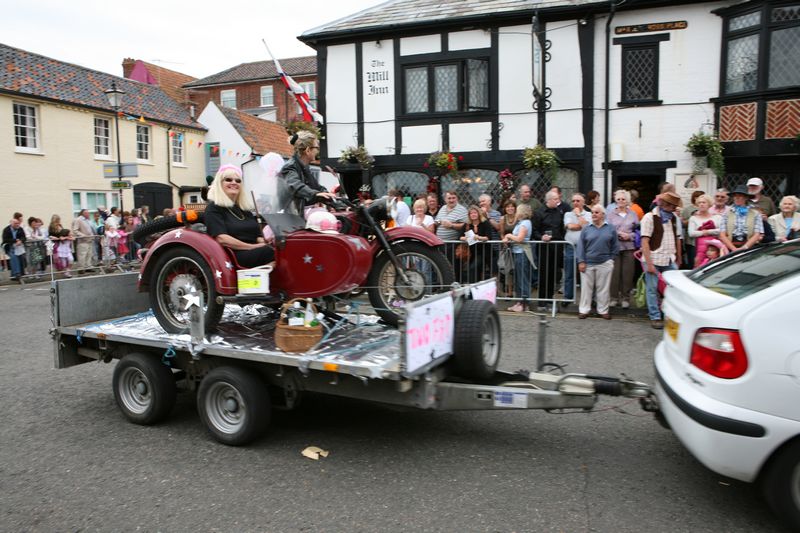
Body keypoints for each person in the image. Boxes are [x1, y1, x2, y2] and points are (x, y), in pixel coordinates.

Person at [204, 164, 274, 268]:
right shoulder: (213, 208)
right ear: (219, 183)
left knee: (283, 248)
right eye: (228, 179)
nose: (234, 183)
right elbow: (221, 238)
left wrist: (266, 242)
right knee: (272, 252)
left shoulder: (244, 209)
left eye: (238, 181)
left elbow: (257, 236)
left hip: (255, 250)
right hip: (233, 255)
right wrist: (253, 247)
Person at [640, 191, 683, 329]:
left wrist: (679, 258)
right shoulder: (649, 217)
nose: (674, 208)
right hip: (654, 258)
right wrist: (649, 263)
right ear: (665, 204)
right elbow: (645, 242)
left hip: (670, 259)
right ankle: (655, 316)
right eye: (672, 206)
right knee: (652, 289)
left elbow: (678, 239)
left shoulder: (674, 218)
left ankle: (669, 314)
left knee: (674, 289)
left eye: (675, 206)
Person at [576, 205, 618, 319]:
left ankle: (603, 310)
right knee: (586, 289)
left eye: (597, 212)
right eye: (593, 212)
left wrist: (611, 259)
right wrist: (581, 261)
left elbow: (615, 245)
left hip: (605, 263)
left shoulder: (610, 228)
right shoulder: (586, 228)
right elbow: (580, 246)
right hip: (588, 263)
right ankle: (584, 310)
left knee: (603, 288)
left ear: (603, 215)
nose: (594, 214)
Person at [279, 131, 335, 215]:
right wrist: (315, 194)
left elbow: (317, 187)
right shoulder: (289, 167)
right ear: (308, 150)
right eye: (317, 148)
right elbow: (296, 186)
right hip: (292, 219)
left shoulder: (305, 168)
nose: (318, 151)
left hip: (302, 216)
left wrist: (331, 197)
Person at [531, 191, 565, 310]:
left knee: (553, 275)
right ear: (549, 200)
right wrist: (541, 237)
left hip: (556, 246)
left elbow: (561, 229)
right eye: (555, 199)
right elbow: (534, 230)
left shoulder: (559, 212)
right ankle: (542, 302)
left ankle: (550, 300)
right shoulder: (539, 212)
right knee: (544, 274)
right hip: (544, 247)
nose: (557, 201)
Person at [606, 189, 638, 309]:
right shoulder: (610, 215)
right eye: (618, 199)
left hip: (629, 247)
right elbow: (607, 230)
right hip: (615, 247)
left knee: (627, 274)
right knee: (614, 273)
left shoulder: (633, 214)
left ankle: (626, 298)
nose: (620, 201)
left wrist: (629, 236)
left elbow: (638, 232)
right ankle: (613, 298)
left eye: (623, 199)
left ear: (627, 201)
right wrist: (616, 234)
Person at [502, 203, 534, 312]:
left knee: (523, 278)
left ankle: (524, 303)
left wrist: (509, 236)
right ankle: (519, 302)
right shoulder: (520, 223)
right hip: (517, 252)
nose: (516, 212)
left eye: (518, 210)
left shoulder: (526, 223)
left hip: (522, 253)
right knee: (518, 279)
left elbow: (520, 238)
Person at [562, 193, 591, 305]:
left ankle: (587, 299)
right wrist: (580, 225)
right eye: (573, 201)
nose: (575, 203)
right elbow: (570, 226)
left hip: (584, 248)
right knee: (569, 273)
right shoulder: (568, 214)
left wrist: (579, 216)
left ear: (583, 202)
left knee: (585, 274)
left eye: (578, 201)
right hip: (570, 247)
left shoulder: (588, 214)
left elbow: (587, 227)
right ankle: (568, 297)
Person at [719, 185, 764, 252]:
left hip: (749, 247)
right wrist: (733, 249)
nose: (737, 198)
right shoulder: (726, 213)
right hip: (730, 246)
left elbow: (757, 234)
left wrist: (745, 247)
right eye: (735, 196)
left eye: (740, 196)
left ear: (746, 198)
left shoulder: (755, 213)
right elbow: (722, 234)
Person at [459, 205, 492, 283]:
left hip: (483, 252)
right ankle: (473, 289)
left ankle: (474, 288)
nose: (473, 215)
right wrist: (466, 238)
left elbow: (488, 237)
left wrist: (479, 237)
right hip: (471, 252)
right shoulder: (467, 225)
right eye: (471, 213)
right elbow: (460, 237)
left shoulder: (485, 223)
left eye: (475, 213)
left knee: (473, 268)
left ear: (478, 214)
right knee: (473, 270)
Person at [435, 190, 468, 263]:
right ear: (445, 199)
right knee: (441, 264)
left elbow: (465, 225)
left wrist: (452, 225)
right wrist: (439, 222)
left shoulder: (462, 210)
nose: (451, 200)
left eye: (453, 198)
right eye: (449, 198)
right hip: (440, 243)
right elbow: (437, 220)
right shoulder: (443, 208)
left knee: (452, 265)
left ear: (457, 199)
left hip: (453, 244)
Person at [688, 194, 721, 267]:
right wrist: (703, 232)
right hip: (698, 249)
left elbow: (720, 230)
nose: (701, 204)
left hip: (715, 249)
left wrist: (708, 232)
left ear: (709, 204)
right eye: (699, 203)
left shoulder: (717, 217)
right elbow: (691, 233)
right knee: (698, 266)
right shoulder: (693, 218)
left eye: (704, 202)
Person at [498, 200, 518, 296]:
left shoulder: (518, 217)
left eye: (512, 206)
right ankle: (509, 292)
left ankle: (518, 291)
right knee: (508, 270)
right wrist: (504, 240)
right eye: (508, 207)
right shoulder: (503, 219)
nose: (510, 208)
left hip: (517, 245)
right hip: (507, 246)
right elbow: (501, 233)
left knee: (518, 268)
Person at [2, 216, 27, 280]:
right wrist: (16, 240)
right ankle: (17, 273)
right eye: (15, 223)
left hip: (19, 247)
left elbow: (24, 237)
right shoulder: (6, 230)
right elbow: (5, 239)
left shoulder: (20, 229)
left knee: (21, 258)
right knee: (14, 257)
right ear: (11, 224)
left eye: (18, 223)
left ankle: (15, 275)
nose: (17, 224)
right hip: (9, 246)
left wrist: (21, 241)